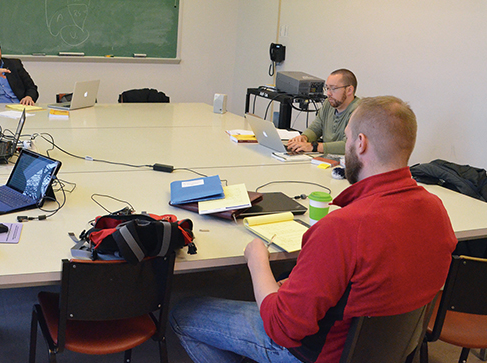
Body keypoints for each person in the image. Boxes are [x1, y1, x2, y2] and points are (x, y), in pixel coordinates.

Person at [171, 96, 457, 363]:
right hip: (391, 349)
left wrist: (256, 261)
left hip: (319, 354)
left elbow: (281, 328)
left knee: (182, 312)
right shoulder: (436, 211)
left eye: (345, 140)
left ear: (361, 144)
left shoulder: (342, 228)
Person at [287, 68, 360, 155]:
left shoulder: (359, 111)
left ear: (349, 90)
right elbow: (317, 127)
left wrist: (314, 147)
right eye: (327, 88)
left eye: (333, 88)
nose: (328, 93)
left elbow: (349, 145)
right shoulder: (329, 103)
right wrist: (304, 137)